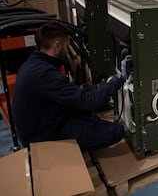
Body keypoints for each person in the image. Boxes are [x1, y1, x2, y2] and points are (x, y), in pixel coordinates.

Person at [12, 22, 125, 151]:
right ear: (57, 46)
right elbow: (87, 101)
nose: (67, 51)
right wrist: (116, 81)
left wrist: (101, 86)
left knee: (90, 117)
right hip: (42, 137)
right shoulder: (45, 74)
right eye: (67, 46)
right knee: (116, 131)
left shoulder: (34, 63)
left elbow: (75, 95)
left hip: (44, 122)